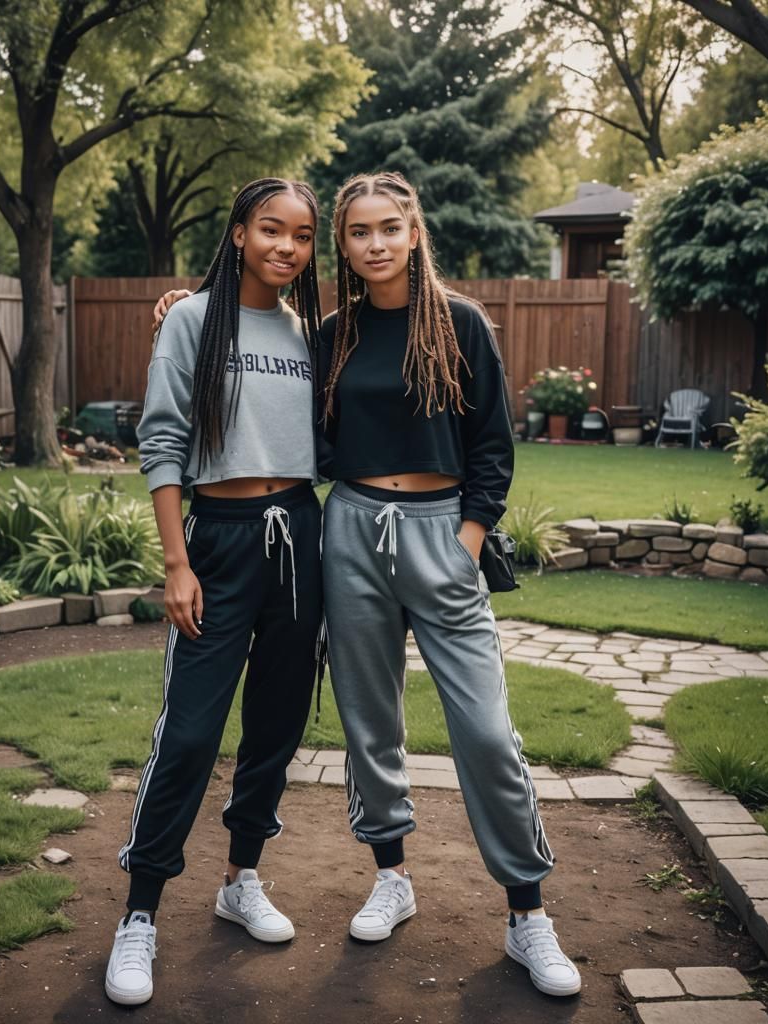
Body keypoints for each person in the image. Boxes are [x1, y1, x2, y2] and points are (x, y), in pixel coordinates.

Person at [317, 171, 580, 998]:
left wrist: (466, 544)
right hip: (353, 531)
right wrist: (192, 303)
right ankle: (391, 876)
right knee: (369, 723)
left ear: (415, 231)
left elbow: (493, 445)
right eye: (359, 232)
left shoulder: (459, 323)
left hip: (443, 535)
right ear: (345, 245)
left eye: (389, 228)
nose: (376, 244)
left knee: (488, 733)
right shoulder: (332, 334)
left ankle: (527, 916)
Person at [105, 178, 325, 1007]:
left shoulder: (313, 336)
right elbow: (161, 438)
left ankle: (241, 880)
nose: (286, 247)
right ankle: (140, 916)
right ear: (239, 234)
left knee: (275, 726)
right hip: (218, 541)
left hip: (299, 538)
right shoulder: (195, 320)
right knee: (192, 733)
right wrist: (176, 563)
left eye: (302, 237)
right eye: (271, 229)